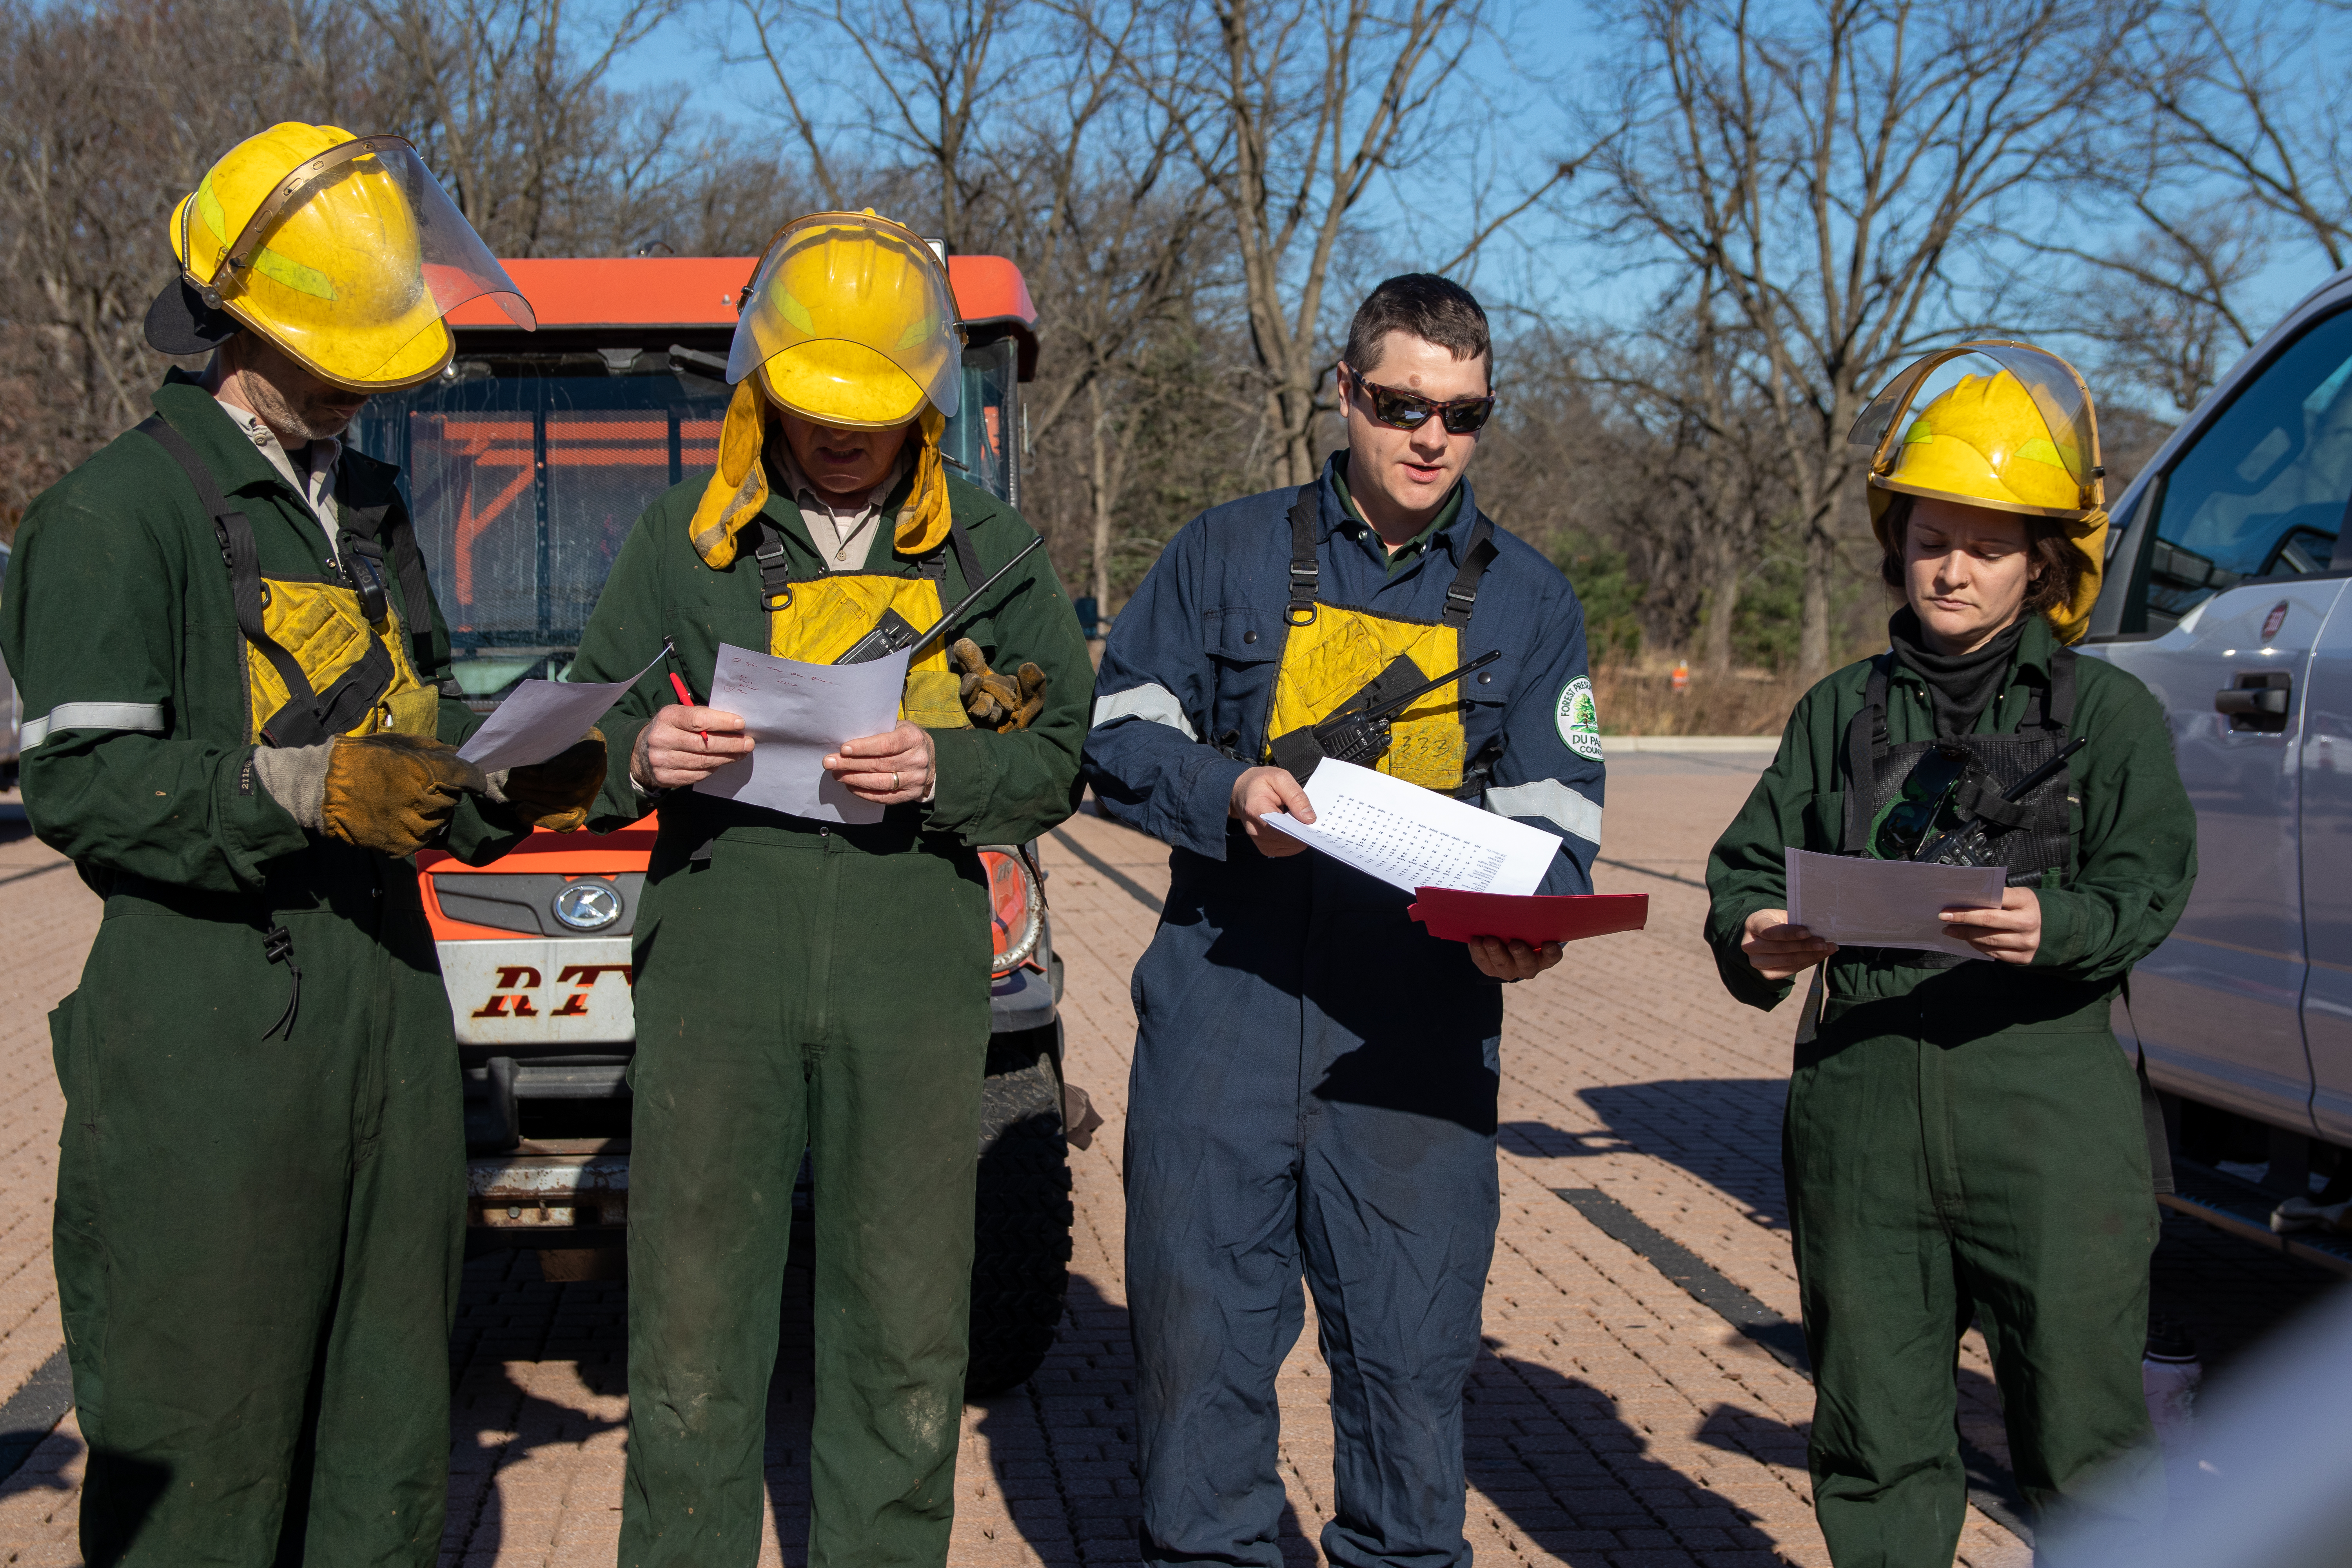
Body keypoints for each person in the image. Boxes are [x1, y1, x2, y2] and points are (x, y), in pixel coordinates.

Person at [0, 123, 605, 1564]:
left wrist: (501, 783)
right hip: (214, 1038)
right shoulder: (113, 515)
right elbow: (83, 783)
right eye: (349, 351)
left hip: (394, 1015)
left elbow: (408, 734)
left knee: (390, 1437)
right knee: (204, 1456)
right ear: (247, 326)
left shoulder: (369, 511)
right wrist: (296, 794)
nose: (373, 381)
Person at [563, 209, 1091, 1568]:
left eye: (871, 409)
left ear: (923, 395)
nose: (840, 435)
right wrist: (643, 751)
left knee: (906, 1322)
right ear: (764, 380)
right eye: (813, 406)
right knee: (689, 1322)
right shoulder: (689, 539)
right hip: (719, 950)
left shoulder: (990, 551)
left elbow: (1058, 755)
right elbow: (573, 731)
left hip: (910, 961)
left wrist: (948, 770)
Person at [1082, 273, 1604, 1568]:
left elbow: (1559, 833)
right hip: (1225, 1004)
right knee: (1198, 1359)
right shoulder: (1224, 552)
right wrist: (1224, 788)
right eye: (1401, 404)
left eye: (1464, 414)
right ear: (1345, 394)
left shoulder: (1533, 605)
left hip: (1414, 1041)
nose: (1431, 437)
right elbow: (1116, 733)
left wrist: (1533, 924)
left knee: (1411, 1373)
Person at [1703, 343, 2196, 1561]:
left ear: (2042, 562)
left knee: (2089, 1448)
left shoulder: (2112, 716)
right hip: (1862, 1111)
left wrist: (2058, 925)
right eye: (1932, 540)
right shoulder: (1837, 711)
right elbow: (1748, 869)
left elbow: (2149, 879)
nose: (1954, 569)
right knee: (1876, 1441)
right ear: (1898, 547)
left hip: (2048, 1116)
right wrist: (1759, 936)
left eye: (1986, 544)